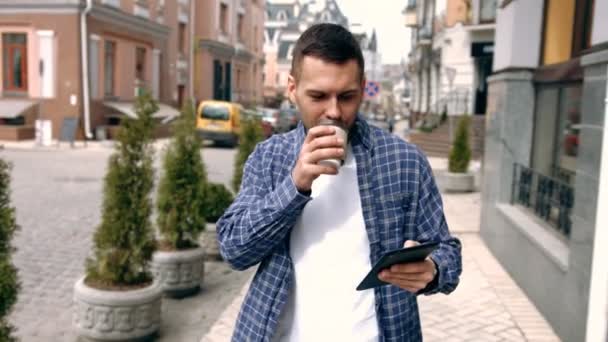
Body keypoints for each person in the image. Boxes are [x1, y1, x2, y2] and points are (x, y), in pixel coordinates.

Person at [217, 23, 462, 342]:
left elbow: (448, 252)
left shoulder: (405, 161)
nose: (333, 112)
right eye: (318, 96)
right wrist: (296, 184)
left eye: (346, 96)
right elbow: (234, 249)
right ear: (292, 89)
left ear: (362, 87)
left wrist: (432, 270)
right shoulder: (270, 157)